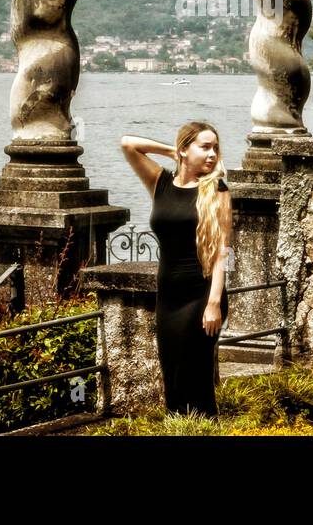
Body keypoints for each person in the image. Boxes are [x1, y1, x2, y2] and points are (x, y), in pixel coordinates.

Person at [120, 121, 232, 418]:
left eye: (215, 148)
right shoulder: (161, 183)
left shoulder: (217, 189)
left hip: (202, 294)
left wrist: (214, 303)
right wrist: (172, 151)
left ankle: (205, 426)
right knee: (171, 371)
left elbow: (222, 252)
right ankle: (177, 425)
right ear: (185, 149)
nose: (212, 155)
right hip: (168, 295)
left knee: (195, 373)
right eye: (204, 147)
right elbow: (128, 144)